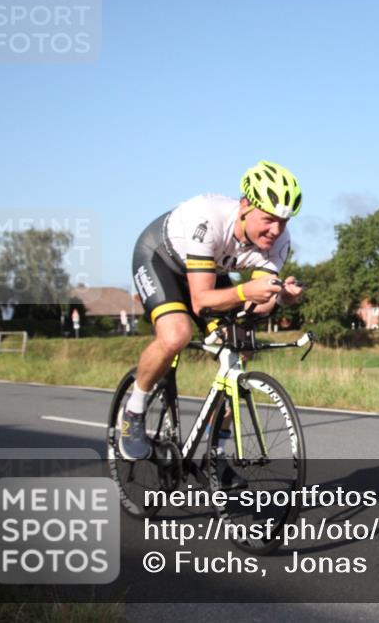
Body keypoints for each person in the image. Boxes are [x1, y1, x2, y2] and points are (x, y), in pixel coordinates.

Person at [121, 160, 304, 460]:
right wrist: (246, 291)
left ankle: (214, 451)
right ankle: (134, 410)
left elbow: (256, 303)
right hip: (160, 260)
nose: (276, 230)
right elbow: (201, 301)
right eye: (269, 219)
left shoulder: (279, 242)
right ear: (245, 205)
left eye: (284, 222)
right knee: (176, 335)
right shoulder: (208, 217)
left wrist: (281, 297)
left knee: (238, 346)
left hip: (206, 270)